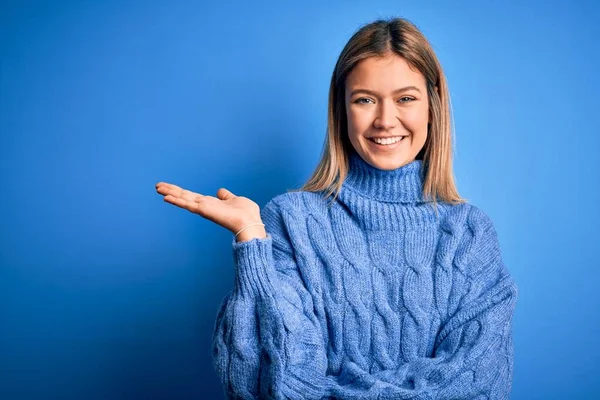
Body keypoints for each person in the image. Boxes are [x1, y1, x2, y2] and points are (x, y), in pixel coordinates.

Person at [155, 17, 518, 400]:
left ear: (433, 106)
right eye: (365, 99)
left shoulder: (469, 234)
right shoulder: (289, 221)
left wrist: (332, 391)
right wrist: (252, 243)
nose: (385, 120)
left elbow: (479, 384)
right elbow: (258, 384)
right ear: (341, 110)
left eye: (406, 98)